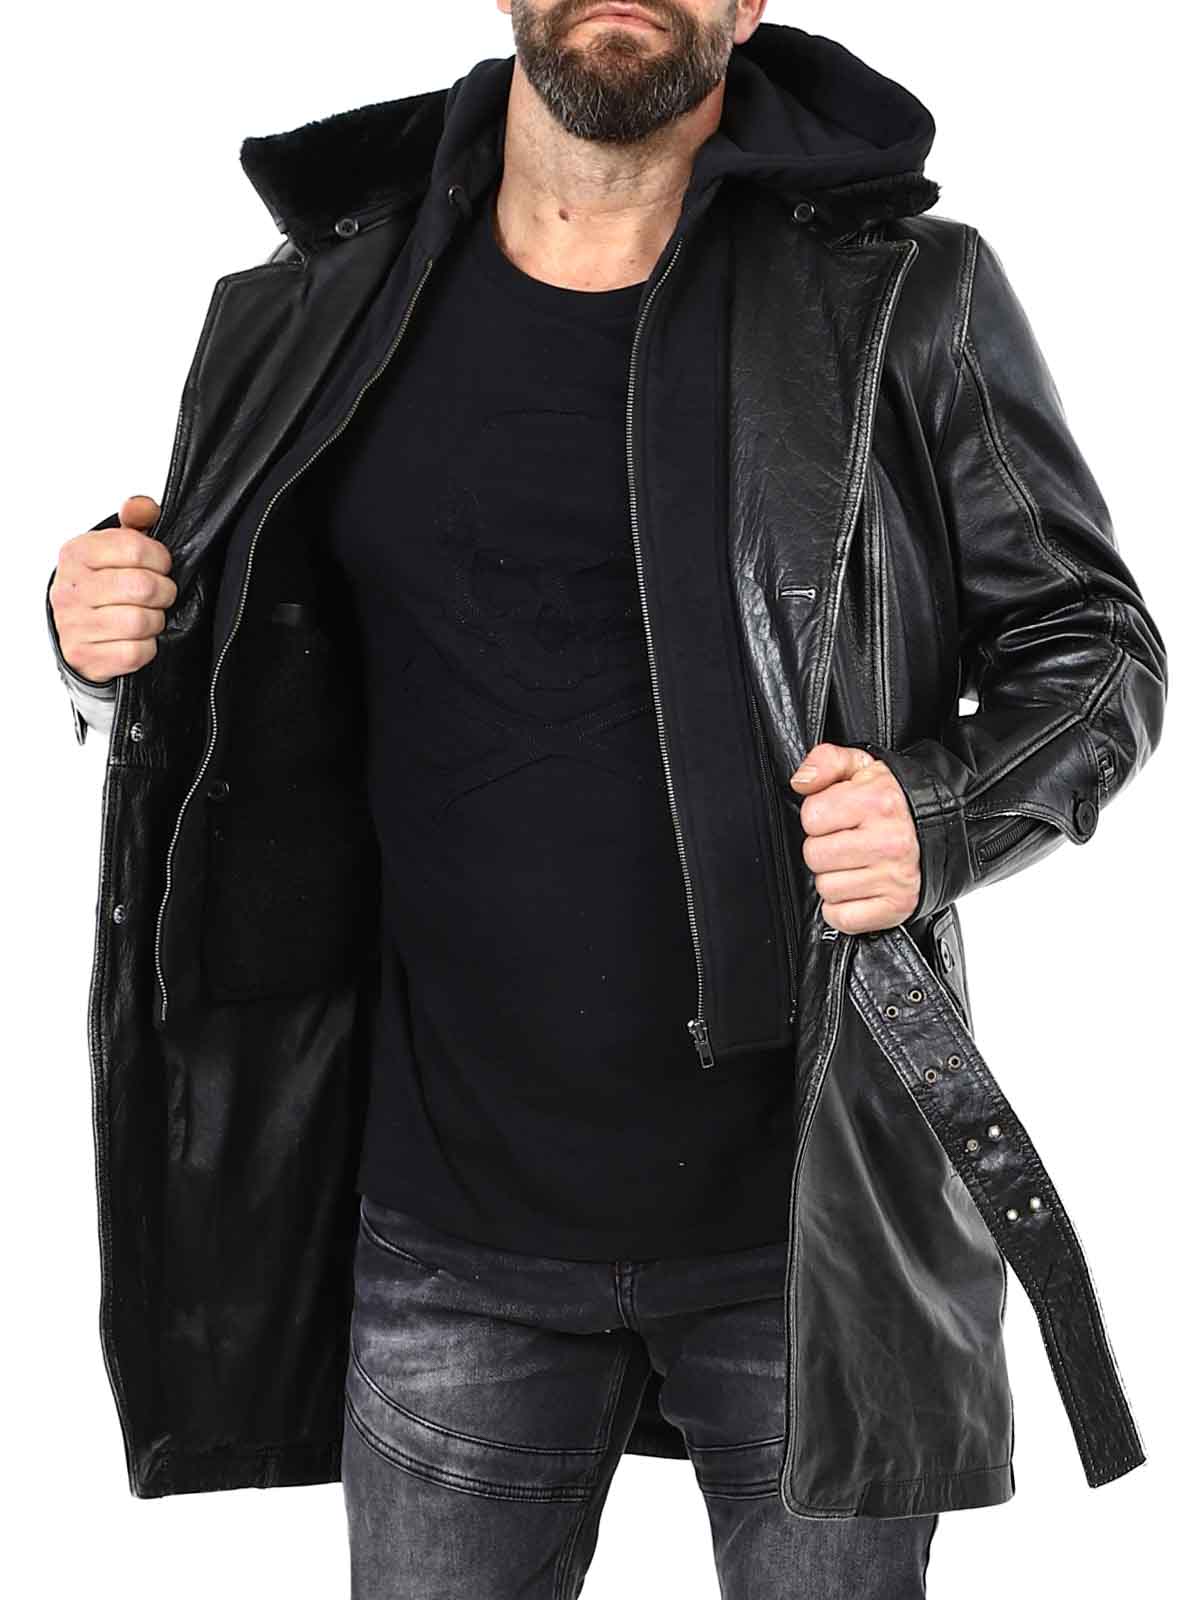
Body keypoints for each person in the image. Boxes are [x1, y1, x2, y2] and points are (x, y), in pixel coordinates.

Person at [45, 3, 1167, 1597]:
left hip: (809, 1235)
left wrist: (943, 814)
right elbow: (228, 646)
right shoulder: (315, 301)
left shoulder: (900, 294)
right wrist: (101, 635)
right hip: (445, 1233)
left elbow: (1094, 647)